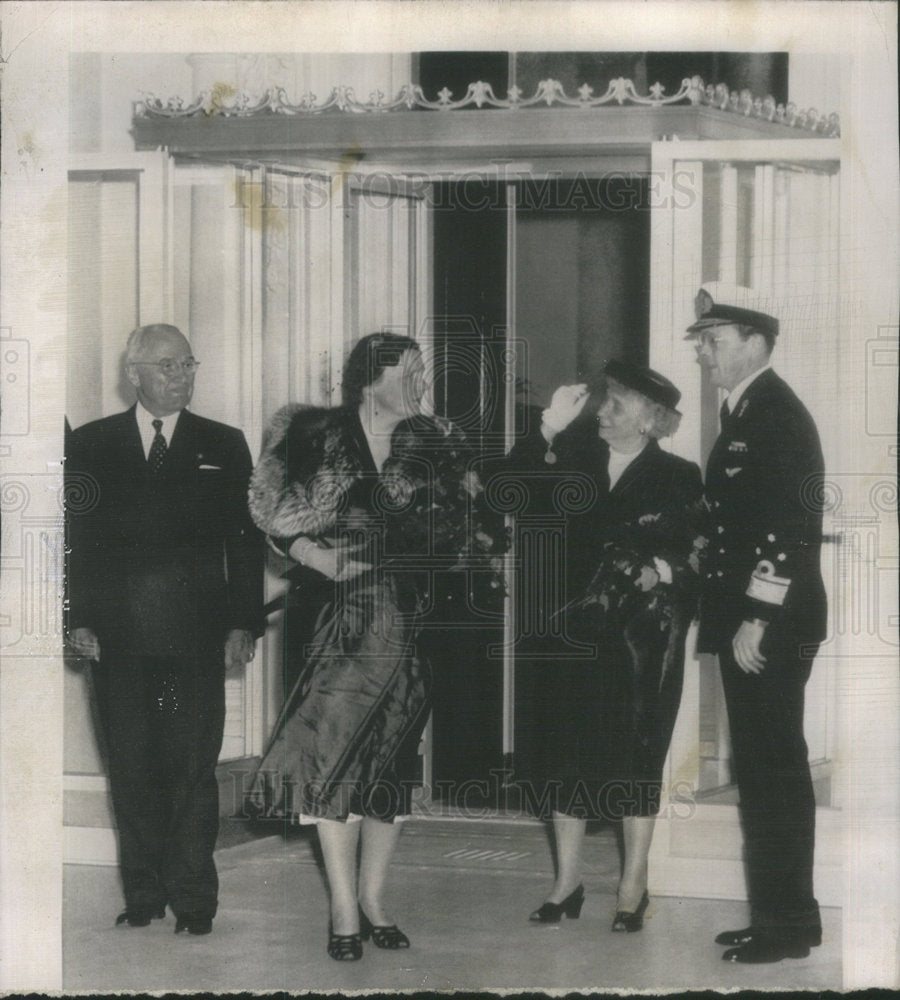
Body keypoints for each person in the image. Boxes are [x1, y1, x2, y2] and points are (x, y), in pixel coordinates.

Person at [247, 332, 501, 961]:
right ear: (370, 378)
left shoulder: (439, 440)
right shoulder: (310, 432)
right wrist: (311, 553)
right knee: (331, 753)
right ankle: (340, 905)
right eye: (409, 369)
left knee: (392, 760)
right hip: (328, 618)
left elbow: (472, 526)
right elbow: (269, 516)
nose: (421, 379)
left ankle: (374, 898)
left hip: (414, 620)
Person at [65, 323, 265, 936]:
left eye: (187, 364)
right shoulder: (94, 444)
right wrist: (76, 620)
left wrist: (244, 623)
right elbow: (74, 543)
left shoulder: (223, 443)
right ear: (135, 373)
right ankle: (144, 895)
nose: (181, 377)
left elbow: (246, 543)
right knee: (131, 765)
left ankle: (195, 901)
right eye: (167, 366)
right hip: (118, 640)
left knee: (189, 766)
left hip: (195, 639)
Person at [506, 360, 704, 932]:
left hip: (643, 638)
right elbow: (509, 488)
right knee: (565, 751)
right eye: (605, 400)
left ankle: (632, 886)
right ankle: (566, 884)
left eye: (616, 404)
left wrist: (658, 571)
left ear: (648, 421)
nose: (602, 410)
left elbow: (700, 553)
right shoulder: (571, 459)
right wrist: (546, 426)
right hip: (572, 630)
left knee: (635, 755)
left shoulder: (679, 474)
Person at [686, 285, 827, 964]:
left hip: (771, 619)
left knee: (772, 768)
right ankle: (782, 916)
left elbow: (790, 529)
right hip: (750, 614)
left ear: (755, 341)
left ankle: (785, 925)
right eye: (702, 342)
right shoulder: (747, 409)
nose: (704, 353)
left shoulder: (776, 414)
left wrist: (758, 616)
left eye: (714, 341)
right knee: (766, 768)